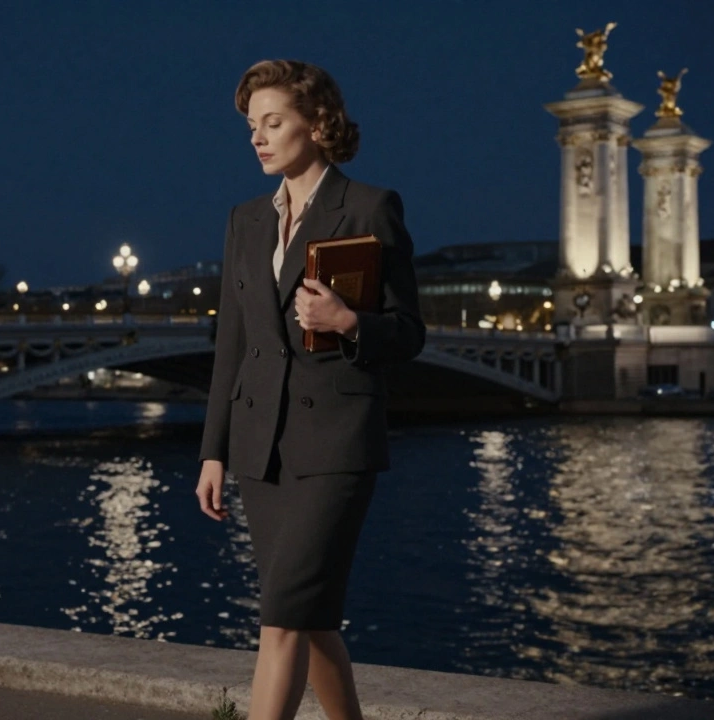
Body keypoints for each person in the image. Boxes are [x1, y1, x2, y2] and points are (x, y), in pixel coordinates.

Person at [195, 59, 425, 720]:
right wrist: (214, 451)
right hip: (258, 450)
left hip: (335, 445)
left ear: (317, 124)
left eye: (273, 122)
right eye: (251, 126)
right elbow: (232, 347)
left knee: (283, 619)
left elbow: (410, 332)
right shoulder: (245, 220)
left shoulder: (370, 207)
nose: (258, 138)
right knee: (311, 615)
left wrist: (350, 322)